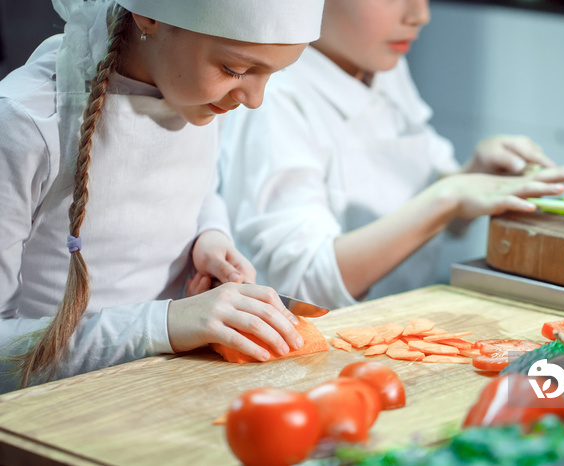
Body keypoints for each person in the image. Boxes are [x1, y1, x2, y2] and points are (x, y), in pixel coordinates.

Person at [0, 0, 324, 393]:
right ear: (150, 16)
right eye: (235, 69)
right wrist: (167, 324)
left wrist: (210, 234)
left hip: (166, 387)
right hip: (53, 406)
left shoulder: (198, 93)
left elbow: (203, 186)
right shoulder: (24, 124)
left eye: (272, 73)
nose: (254, 99)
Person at [218, 0, 564, 310]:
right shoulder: (276, 96)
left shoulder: (382, 66)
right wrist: (448, 198)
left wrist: (474, 172)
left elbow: (439, 215)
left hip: (398, 324)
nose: (420, 15)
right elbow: (301, 286)